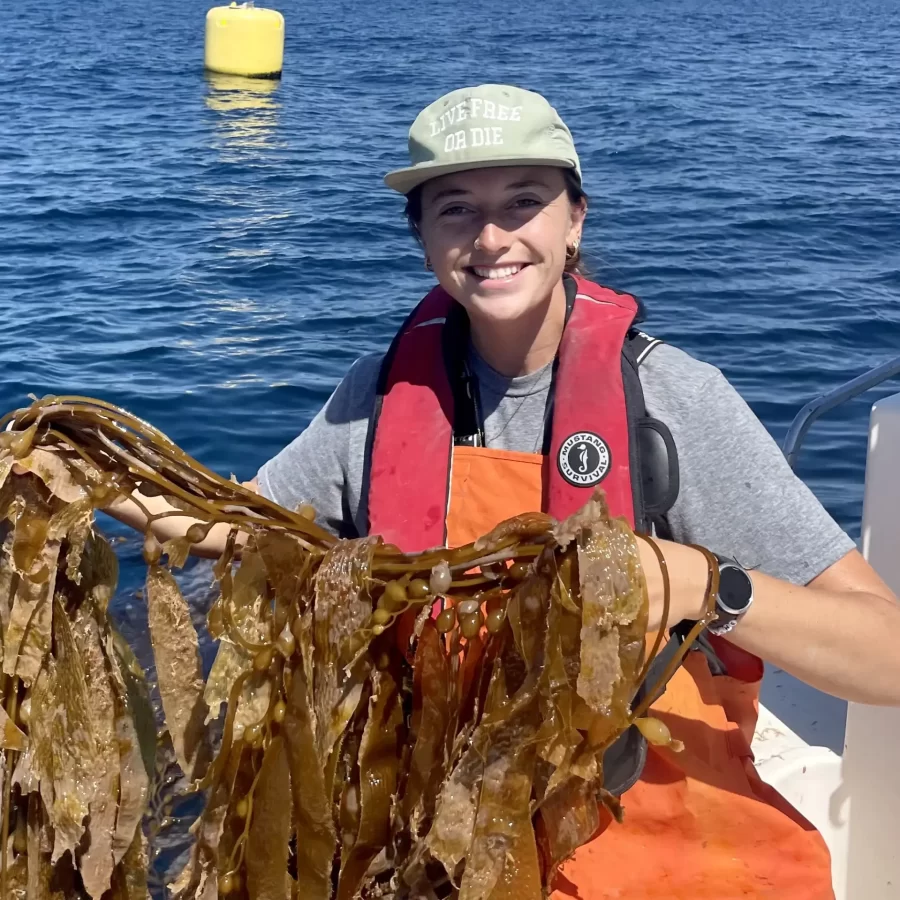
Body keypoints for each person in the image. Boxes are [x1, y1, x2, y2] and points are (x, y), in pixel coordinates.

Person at [112, 84, 900, 897]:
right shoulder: (381, 399)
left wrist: (702, 584)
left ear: (575, 221)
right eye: (455, 209)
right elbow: (240, 524)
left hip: (664, 834)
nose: (492, 237)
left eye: (524, 202)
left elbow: (887, 654)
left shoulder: (671, 401)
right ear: (421, 238)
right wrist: (88, 476)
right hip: (446, 826)